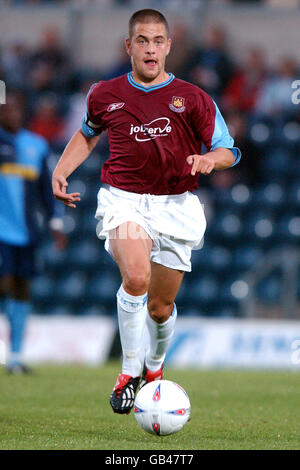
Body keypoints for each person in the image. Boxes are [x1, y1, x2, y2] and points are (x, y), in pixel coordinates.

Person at [52, 9, 241, 414]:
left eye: (158, 41)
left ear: (169, 46)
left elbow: (228, 149)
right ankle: (128, 373)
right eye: (142, 41)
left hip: (175, 205)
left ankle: (154, 368)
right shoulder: (104, 94)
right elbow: (87, 134)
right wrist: (61, 170)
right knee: (135, 277)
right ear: (129, 46)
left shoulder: (193, 98)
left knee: (161, 307)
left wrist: (211, 161)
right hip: (123, 199)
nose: (150, 48)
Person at [0, 91, 66, 374]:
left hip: (26, 233)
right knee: (5, 285)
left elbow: (46, 191)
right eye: (7, 110)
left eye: (17, 109)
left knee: (21, 289)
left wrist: (56, 223)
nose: (12, 114)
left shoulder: (35, 145)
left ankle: (15, 356)